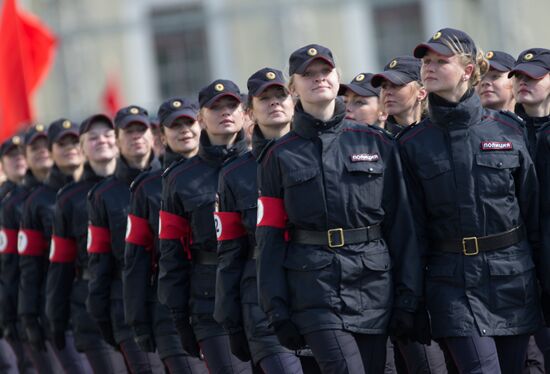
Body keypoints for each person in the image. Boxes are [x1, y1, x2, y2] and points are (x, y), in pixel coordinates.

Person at [255, 44, 422, 374]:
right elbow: (269, 238)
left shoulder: (377, 143)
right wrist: (276, 308)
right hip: (314, 288)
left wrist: (408, 295)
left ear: (337, 77)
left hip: (373, 284)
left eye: (325, 72)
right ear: (293, 88)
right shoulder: (278, 155)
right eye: (308, 74)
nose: (318, 79)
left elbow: (401, 225)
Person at [398, 28, 541, 374]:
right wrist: (409, 300)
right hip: (452, 283)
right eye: (425, 62)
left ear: (467, 70)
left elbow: (534, 213)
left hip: (512, 277)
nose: (428, 68)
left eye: (440, 61)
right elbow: (409, 230)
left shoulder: (510, 130)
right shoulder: (412, 143)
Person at [214, 68, 304, 373]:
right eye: (264, 99)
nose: (274, 103)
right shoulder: (233, 174)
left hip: (317, 292)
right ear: (249, 112)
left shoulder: (317, 153)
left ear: (293, 101)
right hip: (261, 303)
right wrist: (231, 322)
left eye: (280, 95)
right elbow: (229, 254)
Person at [158, 80, 251, 374]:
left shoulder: (265, 162)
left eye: (231, 106)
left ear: (245, 113)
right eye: (216, 107)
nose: (225, 113)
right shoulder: (179, 179)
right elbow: (171, 253)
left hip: (260, 290)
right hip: (208, 299)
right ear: (201, 118)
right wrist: (179, 317)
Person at [123, 98, 207, 373]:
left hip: (217, 302)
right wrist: (139, 322)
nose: (184, 130)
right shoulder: (146, 188)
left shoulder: (225, 174)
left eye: (189, 122)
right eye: (175, 125)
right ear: (162, 135)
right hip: (169, 311)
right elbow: (135, 262)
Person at [45, 114, 128, 373]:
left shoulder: (140, 186)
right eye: (92, 138)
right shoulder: (68, 200)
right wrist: (56, 320)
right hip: (90, 305)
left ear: (117, 141)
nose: (101, 141)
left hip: (136, 300)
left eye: (107, 135)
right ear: (81, 149)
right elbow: (60, 264)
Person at [86, 106, 164, 373]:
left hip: (171, 303)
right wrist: (103, 318)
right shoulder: (102, 195)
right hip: (126, 309)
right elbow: (99, 264)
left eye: (141, 130)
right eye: (127, 132)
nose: (135, 137)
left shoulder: (171, 180)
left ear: (153, 135)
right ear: (117, 140)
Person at [18, 120, 93, 373]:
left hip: (101, 301)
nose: (70, 148)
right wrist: (29, 316)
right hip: (60, 307)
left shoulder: (97, 191)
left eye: (74, 141)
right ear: (51, 151)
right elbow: (29, 268)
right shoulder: (36, 202)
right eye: (62, 143)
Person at [508, 48, 550, 374]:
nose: (523, 81)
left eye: (533, 75)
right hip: (518, 263)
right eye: (519, 76)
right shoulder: (506, 131)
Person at [0, 135, 34, 374]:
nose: (19, 158)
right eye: (13, 154)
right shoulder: (6, 204)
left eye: (24, 152)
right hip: (14, 300)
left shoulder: (49, 194)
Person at [371, 56, 427, 138]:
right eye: (384, 86)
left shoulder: (439, 132)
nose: (387, 92)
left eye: (396, 85)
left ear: (421, 93)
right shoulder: (377, 140)